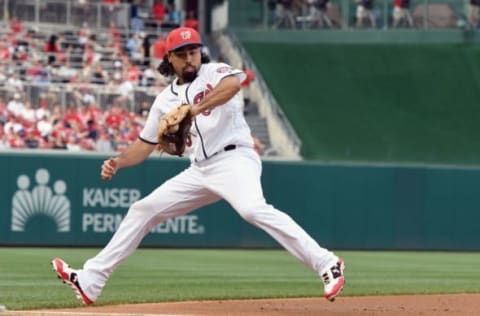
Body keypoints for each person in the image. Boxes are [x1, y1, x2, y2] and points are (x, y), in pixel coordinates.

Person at [51, 26, 345, 305]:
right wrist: (117, 162)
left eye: (193, 51)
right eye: (182, 53)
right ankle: (91, 279)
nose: (190, 57)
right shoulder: (165, 100)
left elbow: (234, 84)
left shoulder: (213, 72)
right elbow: (144, 145)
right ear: (170, 59)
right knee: (143, 210)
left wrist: (194, 109)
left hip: (235, 159)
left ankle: (326, 262)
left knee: (252, 209)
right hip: (200, 169)